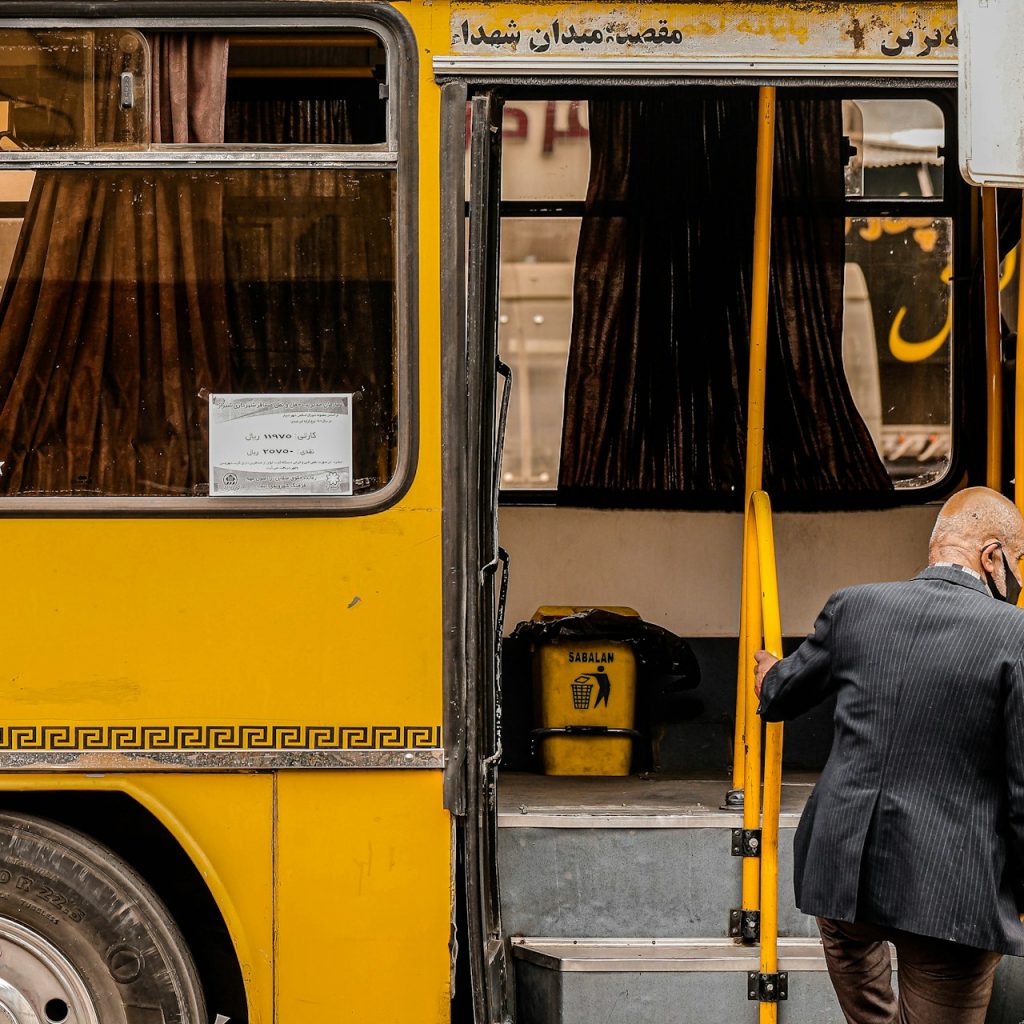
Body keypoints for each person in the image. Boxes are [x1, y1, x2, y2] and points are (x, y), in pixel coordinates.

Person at [754, 486, 1024, 1024]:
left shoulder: (855, 606)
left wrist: (768, 675)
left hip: (842, 874)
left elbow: (781, 694)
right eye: (1019, 561)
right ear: (992, 556)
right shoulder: (1015, 634)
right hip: (952, 891)